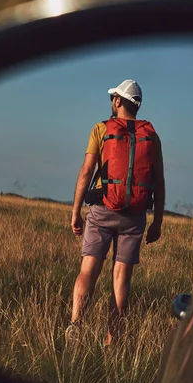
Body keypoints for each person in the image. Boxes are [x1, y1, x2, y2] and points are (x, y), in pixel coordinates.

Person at [66, 79, 165, 346]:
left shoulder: (101, 129)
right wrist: (157, 222)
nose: (112, 102)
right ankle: (113, 341)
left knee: (88, 270)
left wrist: (76, 212)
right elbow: (159, 182)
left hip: (101, 210)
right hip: (134, 217)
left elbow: (87, 172)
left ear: (119, 102)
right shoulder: (151, 136)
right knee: (121, 280)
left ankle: (76, 325)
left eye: (114, 98)